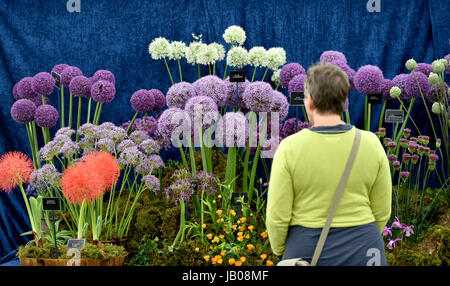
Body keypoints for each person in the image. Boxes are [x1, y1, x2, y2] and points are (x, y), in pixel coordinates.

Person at [266, 62, 392, 266]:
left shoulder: (290, 147)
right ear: (344, 102)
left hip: (306, 248)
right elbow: (382, 210)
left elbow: (277, 217)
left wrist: (282, 251)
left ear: (311, 101)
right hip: (366, 249)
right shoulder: (371, 143)